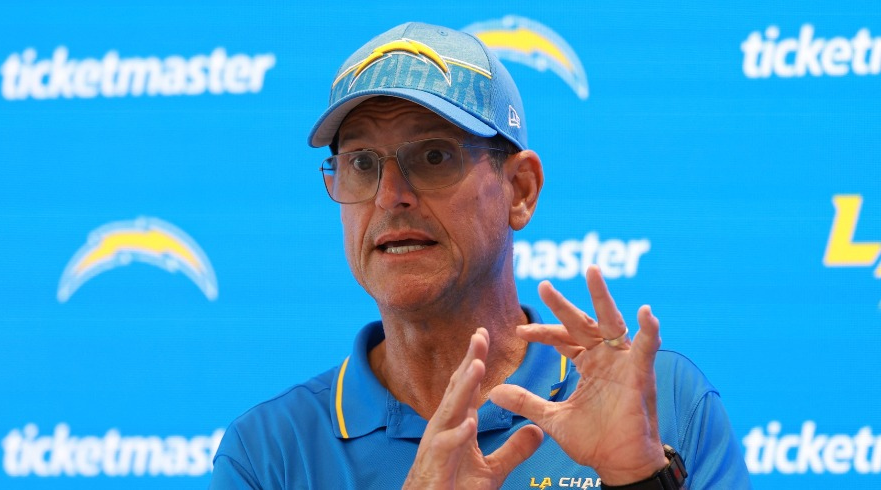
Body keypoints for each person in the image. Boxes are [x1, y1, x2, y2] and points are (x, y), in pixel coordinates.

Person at [211, 22, 751, 489]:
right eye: (359, 162)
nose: (388, 195)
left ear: (520, 190)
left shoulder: (663, 402)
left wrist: (639, 482)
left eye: (434, 155)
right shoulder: (267, 454)